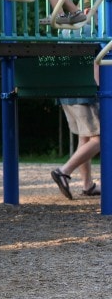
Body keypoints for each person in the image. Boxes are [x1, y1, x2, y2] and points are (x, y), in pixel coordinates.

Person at [51, 64, 100, 200]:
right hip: (84, 94)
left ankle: (87, 185)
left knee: (84, 138)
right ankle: (63, 171)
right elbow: (96, 62)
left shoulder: (63, 42)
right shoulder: (92, 42)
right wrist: (100, 92)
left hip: (66, 93)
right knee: (101, 138)